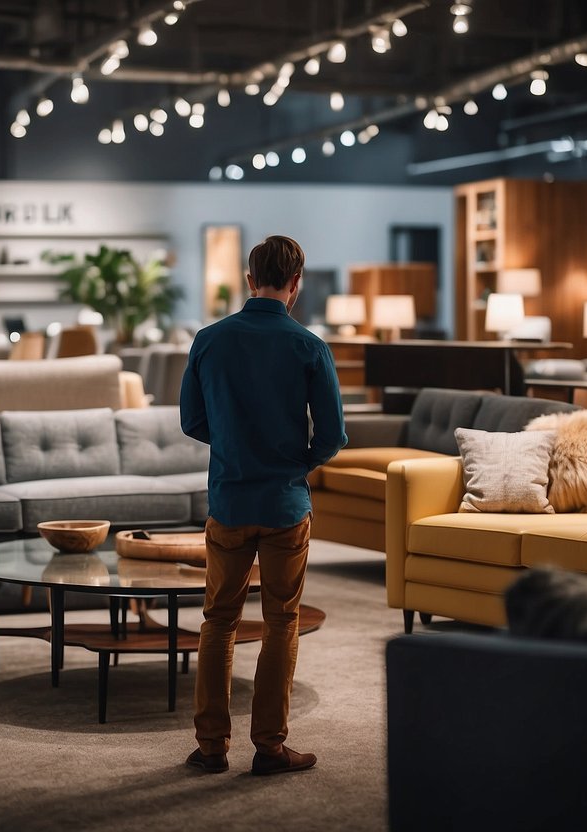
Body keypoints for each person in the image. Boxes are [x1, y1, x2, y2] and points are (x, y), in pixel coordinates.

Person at [179, 234, 347, 776]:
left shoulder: (208, 339)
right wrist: (294, 463)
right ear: (296, 284)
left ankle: (210, 748)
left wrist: (234, 447)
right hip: (283, 504)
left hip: (228, 500)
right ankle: (270, 748)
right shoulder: (309, 346)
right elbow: (333, 434)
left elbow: (192, 421)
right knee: (281, 622)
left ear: (250, 280)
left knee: (217, 622)